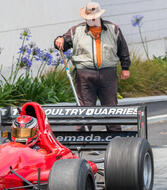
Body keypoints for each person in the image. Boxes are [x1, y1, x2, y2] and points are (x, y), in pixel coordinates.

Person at [54, 2, 131, 132]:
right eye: (89, 18)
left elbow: (123, 48)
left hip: (108, 74)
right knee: (85, 109)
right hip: (85, 75)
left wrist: (125, 67)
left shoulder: (113, 29)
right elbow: (63, 44)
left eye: (94, 17)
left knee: (111, 108)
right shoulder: (76, 31)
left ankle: (115, 138)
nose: (92, 19)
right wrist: (59, 40)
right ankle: (83, 141)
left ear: (100, 16)